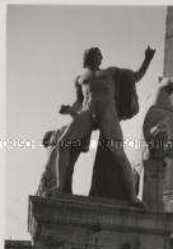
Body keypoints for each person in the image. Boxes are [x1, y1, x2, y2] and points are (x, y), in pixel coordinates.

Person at [55, 46, 155, 203]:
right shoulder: (80, 78)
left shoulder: (111, 72)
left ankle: (132, 196)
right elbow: (79, 102)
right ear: (89, 57)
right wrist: (69, 109)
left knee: (119, 153)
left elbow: (135, 76)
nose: (100, 58)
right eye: (97, 55)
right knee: (63, 144)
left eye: (100, 55)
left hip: (107, 112)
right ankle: (59, 187)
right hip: (87, 111)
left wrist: (147, 60)